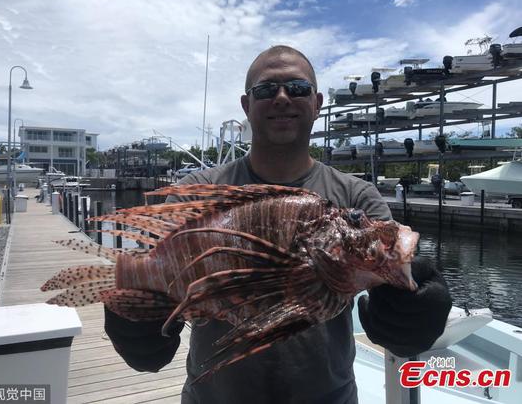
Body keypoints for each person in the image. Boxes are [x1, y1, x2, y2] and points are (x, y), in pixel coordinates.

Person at [105, 46, 452, 403]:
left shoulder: (357, 196)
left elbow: (391, 281)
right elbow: (156, 276)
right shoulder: (196, 194)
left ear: (316, 103)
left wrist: (412, 313)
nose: (283, 98)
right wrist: (139, 324)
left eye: (298, 89)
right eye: (267, 90)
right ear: (246, 105)